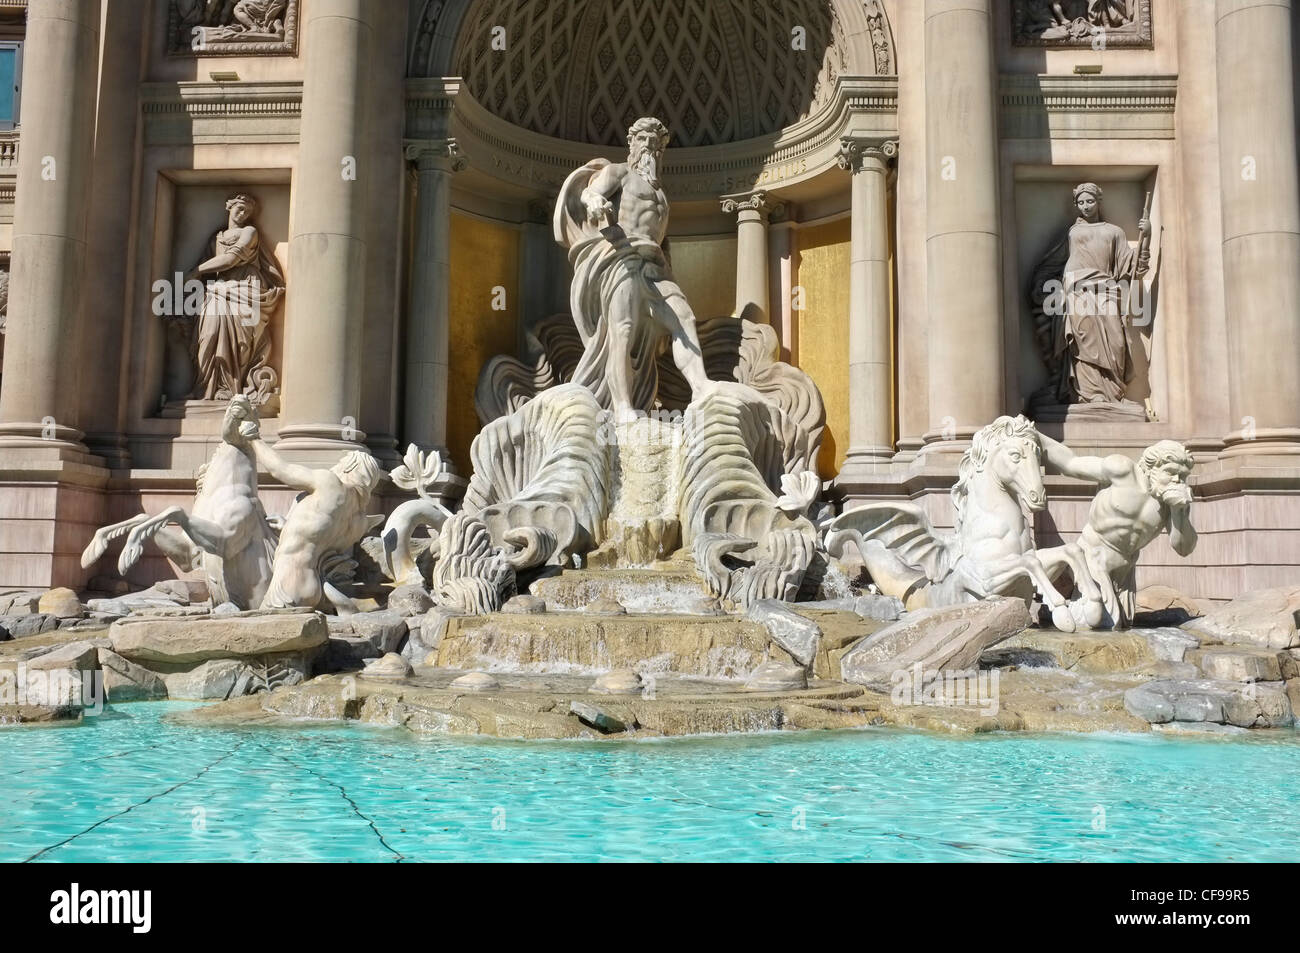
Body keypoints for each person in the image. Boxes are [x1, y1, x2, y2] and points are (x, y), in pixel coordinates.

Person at [554, 117, 710, 420]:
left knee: (684, 319)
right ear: (632, 144)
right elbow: (589, 192)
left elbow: (661, 240)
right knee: (621, 333)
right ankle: (623, 406)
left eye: (655, 142)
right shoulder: (620, 173)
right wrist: (595, 201)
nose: (649, 146)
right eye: (643, 140)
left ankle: (702, 387)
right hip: (622, 259)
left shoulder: (662, 194)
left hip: (655, 266)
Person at [1039, 434, 1196, 628]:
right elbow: (1070, 463)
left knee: (1123, 627)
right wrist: (1036, 437)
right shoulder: (1122, 470)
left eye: (1182, 476)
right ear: (1152, 467)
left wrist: (1178, 513)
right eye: (1171, 472)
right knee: (1101, 625)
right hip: (1093, 556)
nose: (1176, 480)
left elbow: (1183, 548)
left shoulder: (1171, 502)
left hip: (1125, 569)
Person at [237, 418, 382, 612]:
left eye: (341, 463)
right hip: (314, 586)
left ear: (348, 467)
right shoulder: (358, 521)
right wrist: (287, 526)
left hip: (289, 585)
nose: (336, 467)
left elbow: (280, 470)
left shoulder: (330, 483)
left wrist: (254, 438)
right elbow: (316, 536)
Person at [1029, 182, 1149, 406]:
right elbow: (1054, 261)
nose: (1085, 206)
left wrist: (1147, 235)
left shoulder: (1114, 232)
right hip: (1077, 291)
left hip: (1106, 291)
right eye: (1081, 202)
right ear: (1076, 204)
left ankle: (1111, 394)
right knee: (1082, 342)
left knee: (1116, 343)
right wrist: (1042, 283)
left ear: (1098, 201)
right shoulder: (1072, 232)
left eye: (1090, 201)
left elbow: (1131, 266)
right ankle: (1085, 395)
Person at [185, 192, 284, 403]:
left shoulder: (250, 232)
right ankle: (205, 388)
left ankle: (229, 388)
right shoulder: (216, 238)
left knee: (239, 341)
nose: (243, 213)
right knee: (208, 335)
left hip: (245, 288)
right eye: (239, 208)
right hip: (218, 290)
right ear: (229, 207)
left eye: (247, 211)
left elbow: (231, 258)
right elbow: (211, 268)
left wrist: (195, 271)